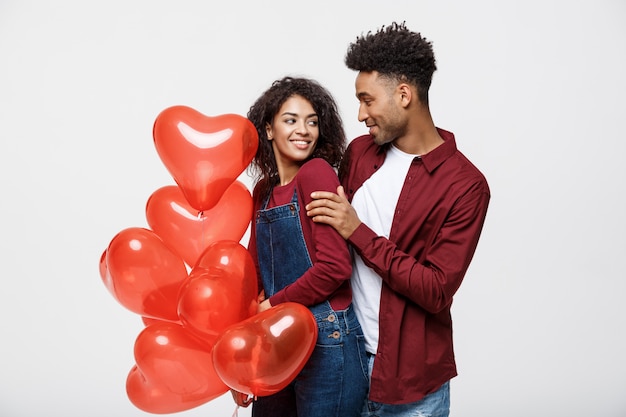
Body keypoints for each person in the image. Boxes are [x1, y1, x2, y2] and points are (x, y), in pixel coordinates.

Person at [305, 22, 490, 417]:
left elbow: (436, 288)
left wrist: (358, 232)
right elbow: (325, 249)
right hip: (343, 363)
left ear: (404, 94)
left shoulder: (466, 186)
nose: (360, 114)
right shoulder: (359, 154)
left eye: (368, 100)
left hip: (413, 387)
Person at [235, 76, 369, 417]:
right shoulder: (263, 190)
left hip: (326, 335)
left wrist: (273, 305)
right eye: (291, 120)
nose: (304, 130)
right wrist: (240, 364)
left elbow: (335, 268)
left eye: (312, 122)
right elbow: (252, 274)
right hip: (274, 336)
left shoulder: (317, 173)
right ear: (268, 129)